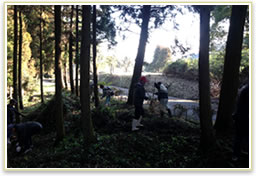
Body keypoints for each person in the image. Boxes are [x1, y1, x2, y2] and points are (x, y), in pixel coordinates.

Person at [232, 83, 249, 161]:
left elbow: (238, 104)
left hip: (240, 117)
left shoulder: (244, 89)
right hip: (244, 118)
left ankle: (236, 155)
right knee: (243, 137)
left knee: (239, 137)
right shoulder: (247, 89)